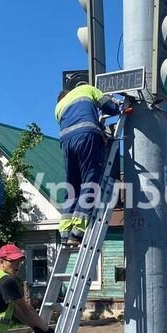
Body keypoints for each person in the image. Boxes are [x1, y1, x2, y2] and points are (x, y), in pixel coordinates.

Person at [55, 83, 121, 246]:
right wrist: (117, 105)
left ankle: (65, 232)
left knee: (73, 185)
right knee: (89, 181)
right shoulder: (87, 89)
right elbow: (109, 107)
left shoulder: (59, 107)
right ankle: (78, 231)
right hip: (86, 136)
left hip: (66, 142)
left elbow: (76, 119)